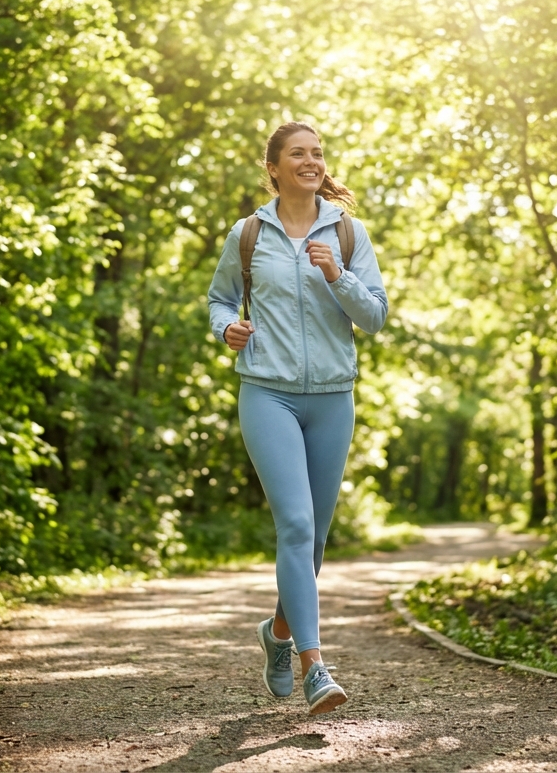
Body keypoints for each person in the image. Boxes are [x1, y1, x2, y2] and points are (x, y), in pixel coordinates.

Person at [207, 122, 388, 715]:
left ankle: (278, 634)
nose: (310, 162)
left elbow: (377, 316)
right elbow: (219, 300)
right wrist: (226, 330)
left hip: (333, 397)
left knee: (312, 544)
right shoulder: (248, 234)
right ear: (275, 169)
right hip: (268, 393)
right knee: (295, 524)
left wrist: (339, 274)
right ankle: (315, 665)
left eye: (317, 153)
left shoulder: (349, 232)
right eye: (297, 154)